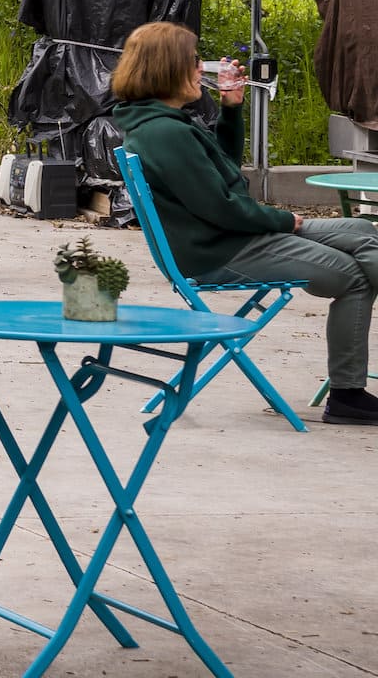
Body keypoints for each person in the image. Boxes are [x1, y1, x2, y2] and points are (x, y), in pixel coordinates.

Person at [111, 21, 378, 426]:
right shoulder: (164, 133)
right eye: (195, 61)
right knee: (354, 275)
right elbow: (219, 206)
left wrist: (232, 109)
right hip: (222, 248)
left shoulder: (160, 122)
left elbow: (222, 168)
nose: (202, 69)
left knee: (362, 232)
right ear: (168, 68)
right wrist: (283, 220)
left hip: (226, 238)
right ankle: (347, 396)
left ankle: (347, 395)